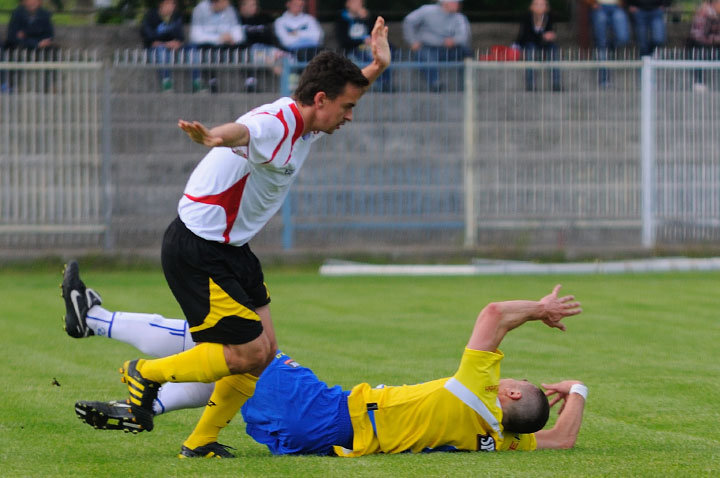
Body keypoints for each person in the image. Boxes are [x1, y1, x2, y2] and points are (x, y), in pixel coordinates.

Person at [63, 18, 390, 458]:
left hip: (232, 247)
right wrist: (215, 136)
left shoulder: (313, 118)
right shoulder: (278, 122)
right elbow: (245, 130)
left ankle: (201, 442)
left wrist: (377, 65)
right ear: (320, 100)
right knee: (248, 352)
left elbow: (347, 88)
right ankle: (146, 373)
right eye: (347, 107)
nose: (350, 116)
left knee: (265, 351)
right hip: (198, 249)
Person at [73, 282, 587, 456]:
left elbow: (494, 314)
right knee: (243, 365)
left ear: (512, 398)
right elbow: (561, 441)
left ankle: (138, 364)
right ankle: (173, 424)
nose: (507, 378)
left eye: (514, 382)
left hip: (326, 412)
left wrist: (540, 310)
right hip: (312, 440)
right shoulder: (497, 437)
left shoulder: (474, 393)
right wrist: (577, 390)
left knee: (250, 347)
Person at [402, 0, 471, 91]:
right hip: (427, 47)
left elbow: (464, 36)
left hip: (449, 49)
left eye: (457, 3)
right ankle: (435, 83)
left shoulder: (459, 17)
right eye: (454, 3)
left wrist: (454, 41)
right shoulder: (427, 10)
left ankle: (469, 82)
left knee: (466, 51)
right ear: (444, 3)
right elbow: (408, 21)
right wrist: (413, 41)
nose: (457, 5)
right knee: (425, 56)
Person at [336, 0, 392, 92]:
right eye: (355, 2)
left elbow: (374, 32)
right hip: (352, 49)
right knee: (367, 58)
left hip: (369, 47)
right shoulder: (342, 18)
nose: (358, 5)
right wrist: (361, 41)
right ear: (348, 4)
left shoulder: (366, 17)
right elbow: (343, 40)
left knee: (386, 54)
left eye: (360, 2)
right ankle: (376, 83)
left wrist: (366, 19)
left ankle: (385, 83)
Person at [189, 0, 245, 92]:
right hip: (208, 45)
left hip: (226, 45)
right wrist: (219, 38)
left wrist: (231, 37)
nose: (228, 5)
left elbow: (239, 34)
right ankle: (212, 82)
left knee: (244, 47)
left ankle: (250, 82)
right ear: (215, 2)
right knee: (207, 49)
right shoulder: (199, 10)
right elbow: (195, 36)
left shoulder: (229, 10)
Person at [140, 0, 187, 92]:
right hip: (156, 49)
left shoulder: (176, 16)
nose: (171, 6)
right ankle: (166, 81)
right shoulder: (151, 16)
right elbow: (149, 37)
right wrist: (165, 44)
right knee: (161, 50)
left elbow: (180, 36)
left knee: (192, 48)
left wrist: (177, 42)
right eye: (168, 3)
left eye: (173, 3)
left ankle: (197, 81)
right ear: (161, 4)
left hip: (173, 47)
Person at [516, 0, 561, 91]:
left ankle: (556, 83)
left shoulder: (549, 17)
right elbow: (525, 36)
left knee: (554, 49)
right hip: (530, 43)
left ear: (546, 7)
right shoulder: (527, 17)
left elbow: (552, 30)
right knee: (531, 50)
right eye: (536, 4)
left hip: (544, 43)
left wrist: (551, 35)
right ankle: (530, 84)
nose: (539, 6)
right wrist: (542, 36)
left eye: (542, 4)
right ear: (531, 7)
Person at [585, 0, 630, 86]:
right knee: (601, 44)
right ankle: (604, 78)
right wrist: (592, 3)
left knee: (623, 38)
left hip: (616, 7)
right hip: (599, 7)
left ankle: (611, 48)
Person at [687, 0, 720, 92]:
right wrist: (715, 39)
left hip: (711, 43)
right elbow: (699, 35)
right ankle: (699, 81)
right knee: (700, 51)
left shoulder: (715, 13)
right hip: (700, 43)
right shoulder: (705, 14)